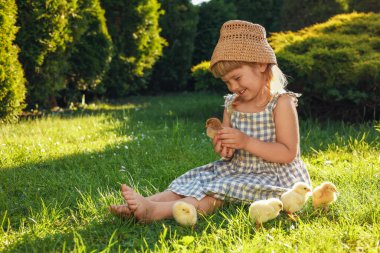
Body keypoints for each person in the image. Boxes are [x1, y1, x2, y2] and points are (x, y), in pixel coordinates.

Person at [109, 20, 311, 222]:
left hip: (272, 176)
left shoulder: (281, 102)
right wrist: (225, 148)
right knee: (196, 180)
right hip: (237, 169)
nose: (232, 87)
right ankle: (145, 203)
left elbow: (287, 153)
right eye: (227, 82)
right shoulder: (232, 104)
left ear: (260, 64)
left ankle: (156, 212)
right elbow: (229, 150)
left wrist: (246, 142)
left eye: (237, 78)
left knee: (213, 193)